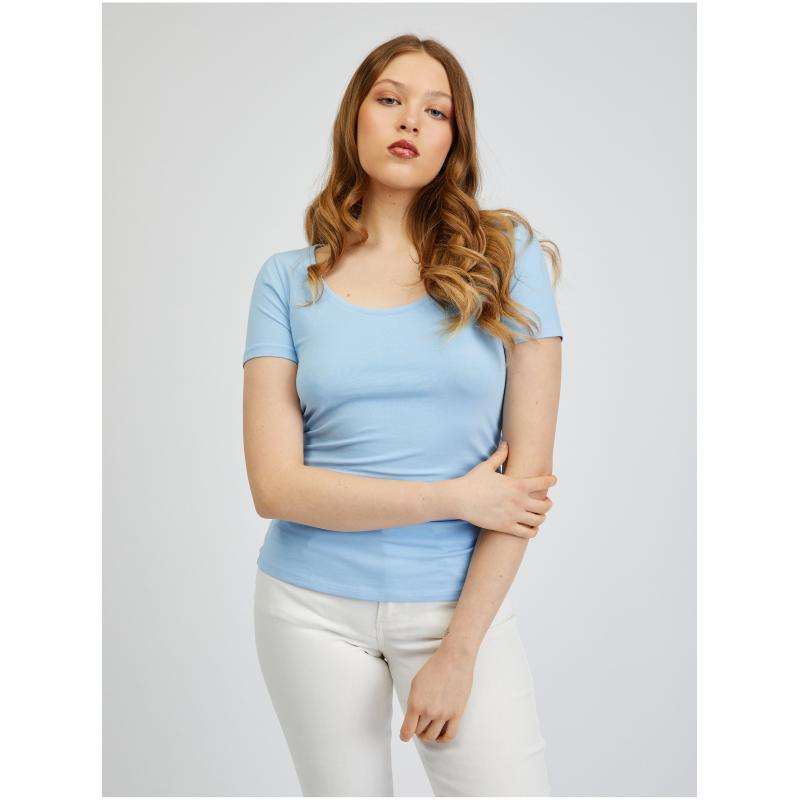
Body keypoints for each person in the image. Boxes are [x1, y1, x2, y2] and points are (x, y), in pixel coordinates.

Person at [242, 34, 564, 797]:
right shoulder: (287, 281)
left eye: (436, 110)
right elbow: (274, 488)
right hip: (308, 609)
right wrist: (449, 498)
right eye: (389, 99)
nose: (410, 119)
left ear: (455, 139)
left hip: (457, 608)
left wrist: (459, 651)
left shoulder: (506, 259)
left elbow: (523, 491)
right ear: (355, 118)